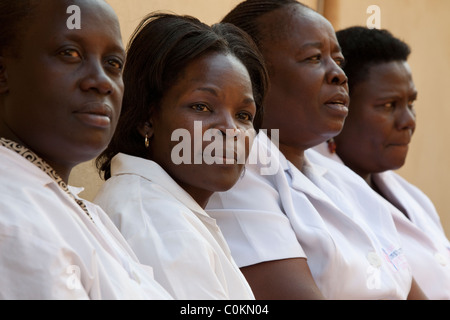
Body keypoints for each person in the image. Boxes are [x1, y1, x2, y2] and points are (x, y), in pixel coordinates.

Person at [205, 0, 427, 299]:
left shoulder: (342, 179)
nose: (338, 75)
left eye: (338, 60)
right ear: (253, 74)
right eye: (313, 58)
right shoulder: (232, 175)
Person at [0, 0, 172, 299]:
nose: (102, 82)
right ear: (4, 71)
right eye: (70, 53)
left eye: (114, 64)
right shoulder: (13, 217)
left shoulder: (77, 207)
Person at [93, 12, 268, 299]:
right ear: (147, 118)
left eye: (243, 115)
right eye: (201, 107)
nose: (230, 130)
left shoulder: (165, 208)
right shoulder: (157, 222)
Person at [314, 26, 450, 299]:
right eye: (388, 106)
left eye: (410, 102)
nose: (408, 121)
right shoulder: (315, 200)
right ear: (339, 104)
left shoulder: (412, 196)